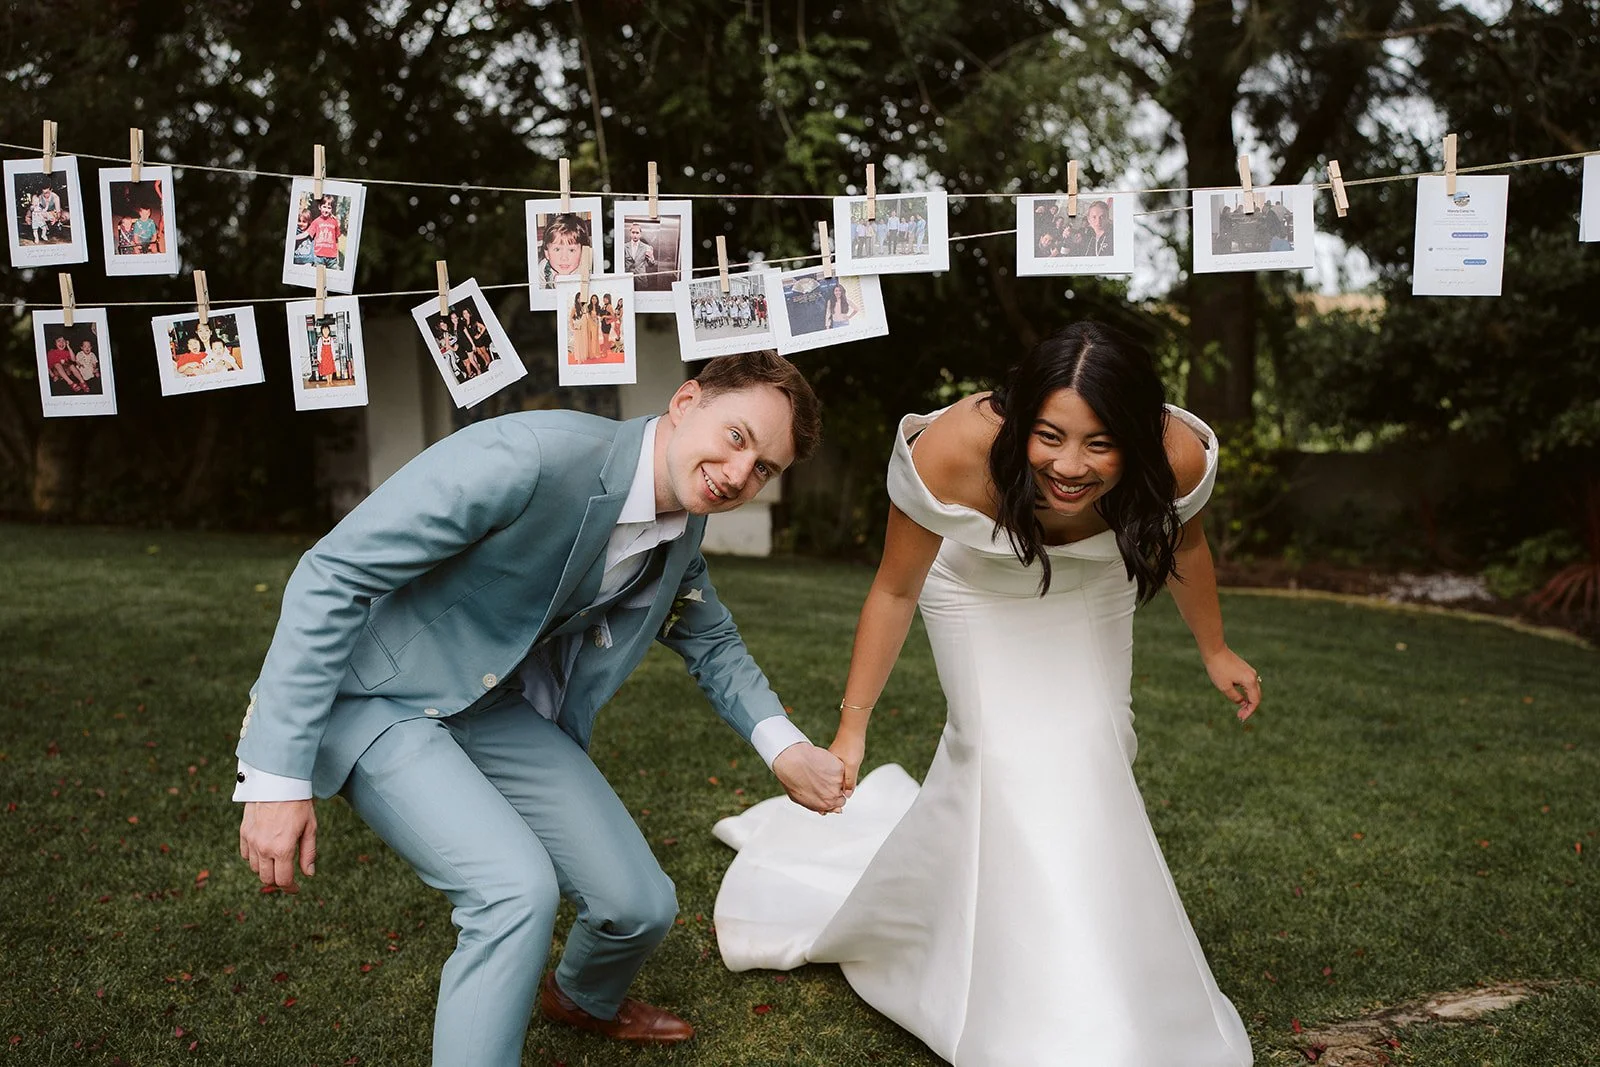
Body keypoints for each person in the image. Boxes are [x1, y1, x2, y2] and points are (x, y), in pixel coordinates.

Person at [234, 352, 843, 1065]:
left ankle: (581, 995)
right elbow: (332, 572)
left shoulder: (683, 527)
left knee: (640, 903)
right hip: (378, 693)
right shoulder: (527, 455)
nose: (741, 474)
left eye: (765, 468)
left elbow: (712, 639)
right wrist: (276, 774)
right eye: (738, 438)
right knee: (514, 891)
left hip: (493, 703)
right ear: (686, 402)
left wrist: (786, 748)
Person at [713, 323, 1261, 1066]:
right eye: (1050, 435)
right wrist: (852, 730)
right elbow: (895, 588)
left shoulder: (1177, 455)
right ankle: (1020, 994)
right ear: (1022, 416)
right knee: (1002, 757)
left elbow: (1185, 545)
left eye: (1100, 443)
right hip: (973, 585)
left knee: (1097, 752)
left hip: (1091, 585)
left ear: (1133, 432)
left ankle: (1105, 963)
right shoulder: (951, 449)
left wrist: (1216, 648)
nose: (1070, 466)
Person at [539, 212, 590, 288]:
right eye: (557, 249)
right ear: (547, 253)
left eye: (571, 250)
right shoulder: (542, 269)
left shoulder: (586, 272)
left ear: (583, 252)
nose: (564, 258)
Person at [295, 195, 342, 268]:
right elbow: (306, 233)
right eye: (324, 207)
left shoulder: (334, 221)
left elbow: (336, 239)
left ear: (332, 209)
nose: (326, 210)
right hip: (319, 257)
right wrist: (294, 237)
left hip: (332, 258)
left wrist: (337, 256)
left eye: (329, 208)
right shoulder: (316, 222)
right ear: (320, 207)